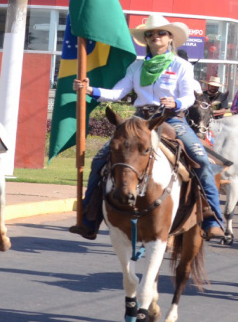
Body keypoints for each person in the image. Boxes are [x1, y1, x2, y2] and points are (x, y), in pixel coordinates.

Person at [69, 14, 225, 241]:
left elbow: (188, 97)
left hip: (172, 119)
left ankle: (212, 217)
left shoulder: (181, 65)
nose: (155, 37)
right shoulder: (136, 66)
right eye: (150, 34)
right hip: (139, 121)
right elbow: (118, 93)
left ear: (170, 38)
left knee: (200, 161)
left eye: (161, 33)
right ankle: (89, 217)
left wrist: (177, 103)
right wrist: (90, 90)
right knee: (100, 160)